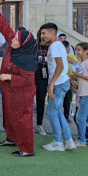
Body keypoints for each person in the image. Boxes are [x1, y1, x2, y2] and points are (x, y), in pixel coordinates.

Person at [0, 2, 37, 157]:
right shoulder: (13, 45)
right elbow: (7, 30)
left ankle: (27, 148)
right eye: (15, 38)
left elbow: (28, 81)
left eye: (17, 40)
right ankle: (11, 138)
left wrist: (8, 76)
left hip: (22, 94)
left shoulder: (26, 59)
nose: (13, 40)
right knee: (9, 116)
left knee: (22, 119)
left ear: (23, 43)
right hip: (9, 91)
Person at [40, 23, 76, 151]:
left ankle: (57, 142)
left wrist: (51, 84)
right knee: (57, 112)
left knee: (51, 113)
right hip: (62, 82)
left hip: (58, 84)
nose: (42, 36)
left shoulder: (55, 46)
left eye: (44, 33)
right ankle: (69, 140)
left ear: (52, 33)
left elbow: (60, 66)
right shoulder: (58, 45)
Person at [34, 30, 49, 135]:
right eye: (41, 35)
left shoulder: (52, 47)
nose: (43, 37)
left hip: (44, 78)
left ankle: (39, 124)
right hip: (31, 76)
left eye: (45, 35)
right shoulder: (34, 46)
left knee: (41, 100)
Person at [62, 41, 78, 121]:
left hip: (68, 80)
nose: (69, 49)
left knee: (67, 99)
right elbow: (77, 66)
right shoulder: (70, 57)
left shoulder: (71, 56)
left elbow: (76, 67)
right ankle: (66, 117)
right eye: (68, 47)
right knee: (67, 100)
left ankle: (66, 116)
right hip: (67, 80)